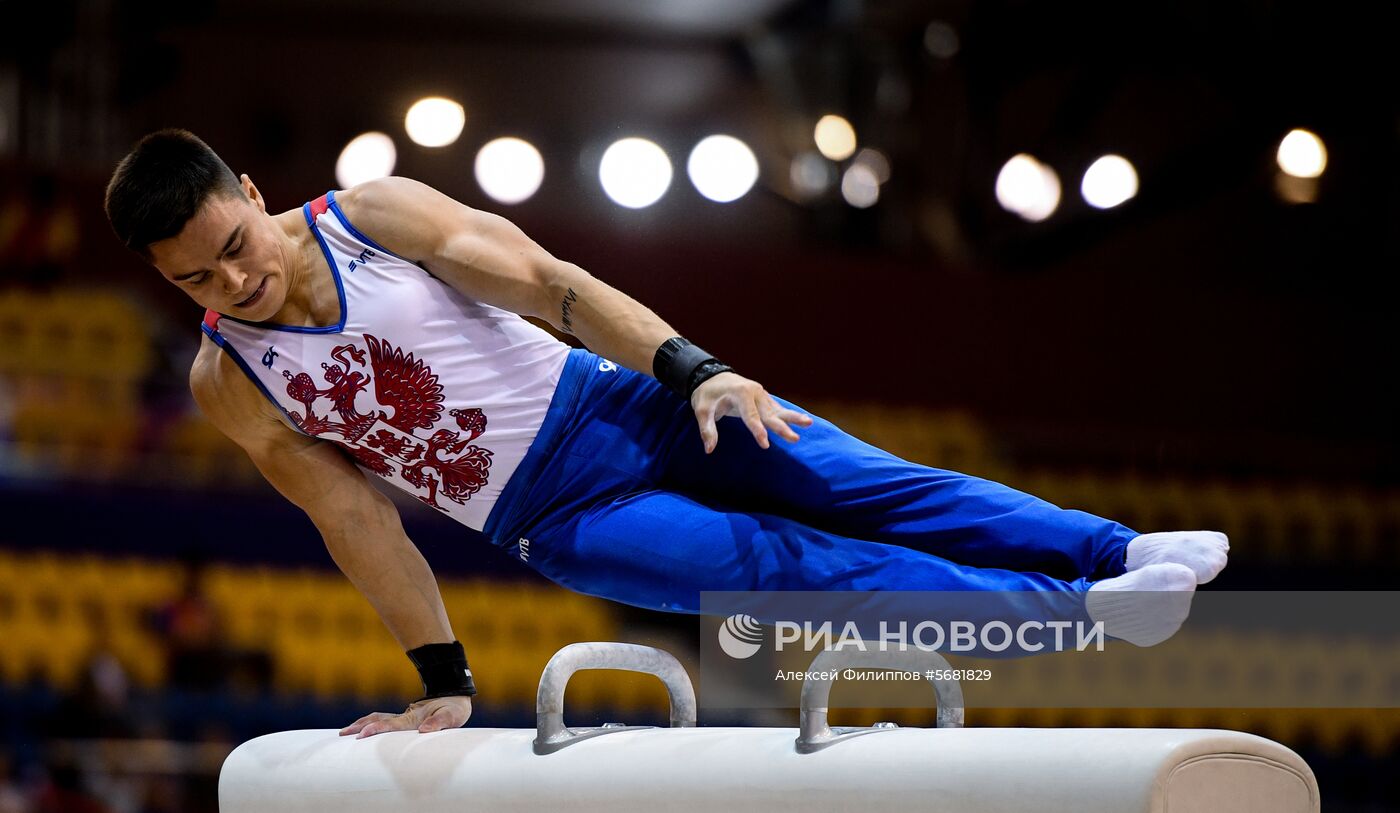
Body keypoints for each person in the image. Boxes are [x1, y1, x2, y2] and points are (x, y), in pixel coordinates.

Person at [103, 129, 1228, 738]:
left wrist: (696, 370)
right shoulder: (231, 381)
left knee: (869, 484)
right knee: (813, 580)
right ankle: (1086, 619)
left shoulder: (373, 218)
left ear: (252, 189)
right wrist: (442, 674)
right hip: (562, 518)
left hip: (625, 402)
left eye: (237, 241)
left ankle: (1116, 552)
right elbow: (353, 519)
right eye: (195, 276)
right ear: (161, 276)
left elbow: (552, 283)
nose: (237, 279)